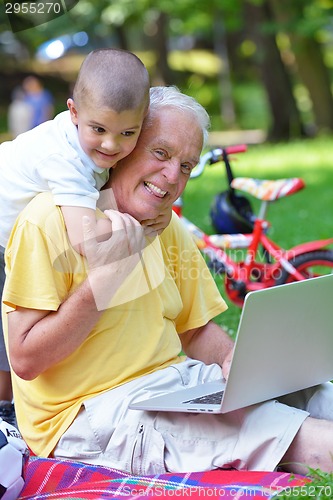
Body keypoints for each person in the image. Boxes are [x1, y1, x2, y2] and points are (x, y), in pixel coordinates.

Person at [3, 86, 333, 475]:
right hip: (91, 414)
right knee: (313, 444)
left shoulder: (166, 223)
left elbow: (194, 331)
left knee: (317, 392)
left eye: (187, 166)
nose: (172, 176)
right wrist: (106, 278)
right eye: (161, 154)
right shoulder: (49, 220)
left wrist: (232, 362)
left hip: (177, 386)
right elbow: (24, 359)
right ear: (125, 146)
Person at [0, 48, 168, 426]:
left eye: (128, 133)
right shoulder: (64, 159)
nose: (111, 145)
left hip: (16, 232)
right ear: (74, 112)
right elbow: (86, 239)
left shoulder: (87, 140)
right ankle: (6, 413)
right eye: (99, 130)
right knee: (11, 331)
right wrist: (136, 230)